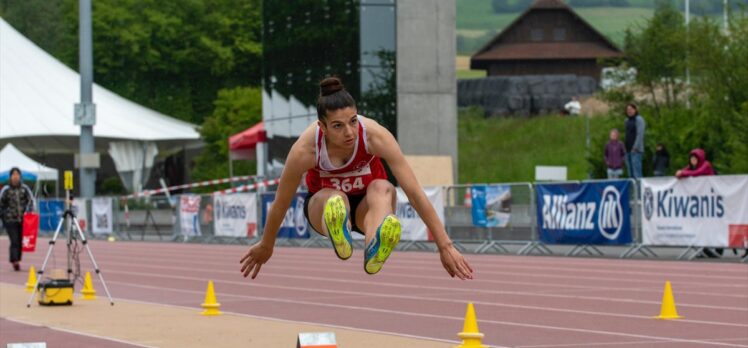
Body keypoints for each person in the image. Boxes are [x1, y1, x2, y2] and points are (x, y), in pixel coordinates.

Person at [240, 77, 473, 280]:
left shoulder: (375, 136)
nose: (349, 132)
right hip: (322, 209)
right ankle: (338, 228)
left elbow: (413, 191)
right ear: (322, 127)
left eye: (353, 121)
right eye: (338, 126)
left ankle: (375, 245)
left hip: (367, 208)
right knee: (336, 198)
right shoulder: (306, 149)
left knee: (383, 186)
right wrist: (267, 245)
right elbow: (281, 203)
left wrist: (445, 245)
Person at [676, 149, 721, 258]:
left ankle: (718, 249)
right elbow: (683, 171)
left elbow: (697, 173)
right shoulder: (691, 166)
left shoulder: (706, 165)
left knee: (714, 224)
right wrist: (680, 172)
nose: (693, 161)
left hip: (712, 199)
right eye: (691, 159)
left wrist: (683, 173)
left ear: (699, 159)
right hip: (701, 201)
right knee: (701, 225)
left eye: (695, 158)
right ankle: (704, 249)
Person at [0, 167, 35, 271]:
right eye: (13, 175)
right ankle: (14, 260)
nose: (15, 177)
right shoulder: (6, 190)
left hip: (23, 220)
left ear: (20, 176)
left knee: (20, 241)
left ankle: (17, 259)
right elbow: (1, 204)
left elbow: (31, 202)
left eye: (17, 175)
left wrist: (30, 212)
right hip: (10, 220)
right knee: (14, 240)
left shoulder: (25, 189)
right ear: (10, 177)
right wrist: (4, 214)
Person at [623, 103, 645, 179]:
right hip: (627, 150)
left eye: (631, 109)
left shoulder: (639, 119)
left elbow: (640, 134)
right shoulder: (626, 121)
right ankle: (633, 190)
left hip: (636, 151)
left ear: (635, 110)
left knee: (637, 173)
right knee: (630, 174)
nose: (629, 111)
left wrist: (635, 147)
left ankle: (639, 190)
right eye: (628, 110)